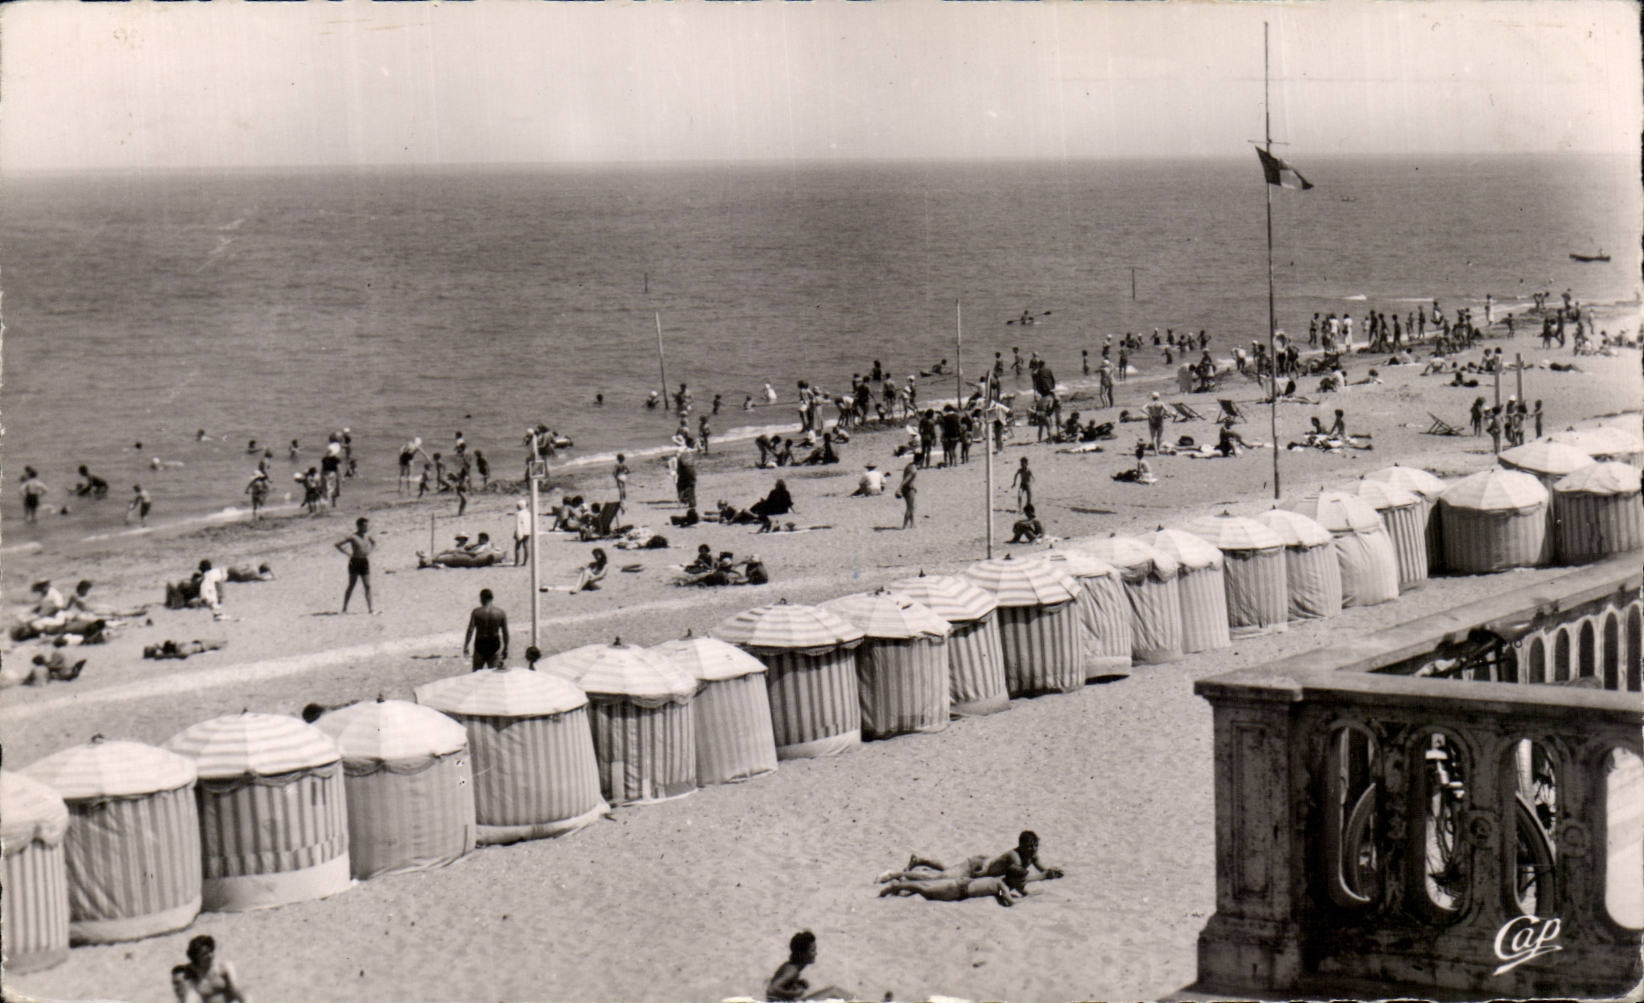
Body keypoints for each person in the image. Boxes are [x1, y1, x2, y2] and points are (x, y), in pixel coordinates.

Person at [879, 830, 1063, 884]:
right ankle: (893, 874)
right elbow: (1022, 876)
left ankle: (920, 861)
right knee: (940, 877)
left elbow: (1042, 868)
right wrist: (1045, 876)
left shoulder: (1032, 855)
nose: (1033, 850)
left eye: (1035, 846)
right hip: (976, 866)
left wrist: (1050, 871)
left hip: (979, 865)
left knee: (948, 870)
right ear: (1021, 846)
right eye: (1029, 846)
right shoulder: (1014, 856)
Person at [879, 864, 1034, 908]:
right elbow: (1010, 902)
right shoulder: (1002, 885)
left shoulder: (1001, 881)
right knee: (925, 889)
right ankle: (896, 886)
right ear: (1013, 880)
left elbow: (1002, 894)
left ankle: (899, 883)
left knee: (927, 885)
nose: (1023, 884)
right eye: (1021, 881)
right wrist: (1025, 900)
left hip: (962, 883)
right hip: (958, 891)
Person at [764, 930, 852, 1003]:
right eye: (812, 950)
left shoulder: (791, 966)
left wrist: (798, 983)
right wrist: (795, 993)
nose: (815, 953)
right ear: (802, 954)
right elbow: (771, 989)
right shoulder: (792, 971)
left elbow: (778, 985)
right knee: (834, 991)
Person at [179, 934, 248, 1003]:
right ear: (196, 957)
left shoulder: (222, 969)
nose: (210, 955)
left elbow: (235, 990)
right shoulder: (193, 973)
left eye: (211, 951)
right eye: (205, 954)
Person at [334, 516, 376, 614]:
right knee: (352, 585)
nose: (367, 528)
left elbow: (374, 543)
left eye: (367, 526)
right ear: (359, 526)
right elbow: (337, 544)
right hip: (354, 562)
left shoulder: (367, 536)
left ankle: (370, 609)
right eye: (364, 526)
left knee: (367, 585)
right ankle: (344, 608)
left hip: (364, 561)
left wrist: (370, 551)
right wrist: (347, 553)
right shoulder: (353, 537)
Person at [463, 588, 509, 670]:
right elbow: (505, 633)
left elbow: (470, 630)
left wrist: (466, 645)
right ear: (492, 598)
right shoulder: (500, 613)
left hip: (480, 645)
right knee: (494, 675)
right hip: (494, 645)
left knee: (477, 675)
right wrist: (506, 647)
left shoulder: (476, 612)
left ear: (482, 598)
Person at [896, 459, 917, 529]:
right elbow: (906, 480)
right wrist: (899, 488)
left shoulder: (908, 466)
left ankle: (912, 524)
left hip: (906, 488)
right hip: (909, 489)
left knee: (910, 507)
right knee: (910, 507)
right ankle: (904, 525)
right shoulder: (913, 470)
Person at [513, 499, 534, 566]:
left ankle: (516, 562)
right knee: (526, 546)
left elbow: (518, 524)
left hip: (521, 531)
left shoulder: (519, 514)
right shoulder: (528, 513)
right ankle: (525, 562)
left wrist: (517, 533)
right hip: (527, 531)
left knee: (517, 547)